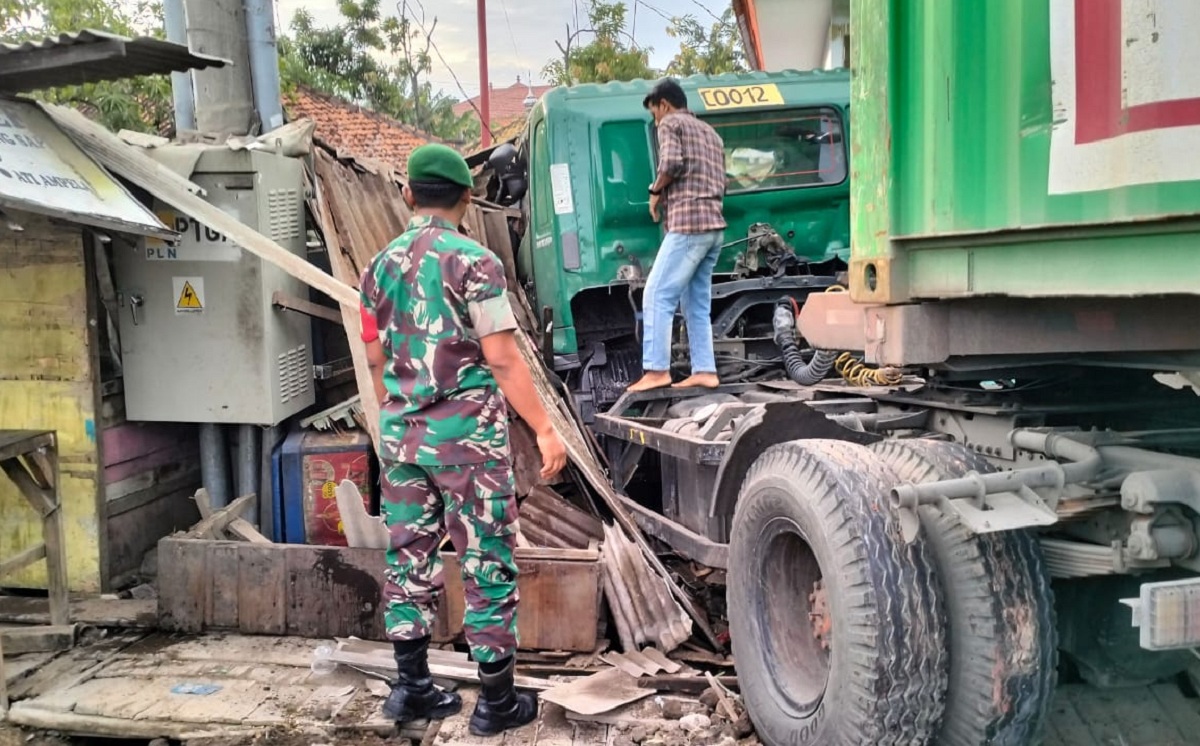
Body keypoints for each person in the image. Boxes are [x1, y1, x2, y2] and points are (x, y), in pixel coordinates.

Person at [359, 144, 568, 736]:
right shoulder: (475, 263)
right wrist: (546, 428)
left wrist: (398, 421)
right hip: (468, 447)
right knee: (485, 560)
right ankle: (496, 704)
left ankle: (413, 690)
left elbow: (375, 359)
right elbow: (501, 357)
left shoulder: (375, 269)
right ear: (467, 199)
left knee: (409, 560)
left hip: (402, 443)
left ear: (408, 195)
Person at [627, 78, 728, 392]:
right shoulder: (711, 134)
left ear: (664, 105)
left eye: (654, 112)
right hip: (714, 226)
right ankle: (705, 369)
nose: (655, 119)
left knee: (656, 294)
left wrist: (655, 191)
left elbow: (671, 162)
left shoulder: (670, 123)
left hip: (688, 224)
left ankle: (656, 371)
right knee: (695, 303)